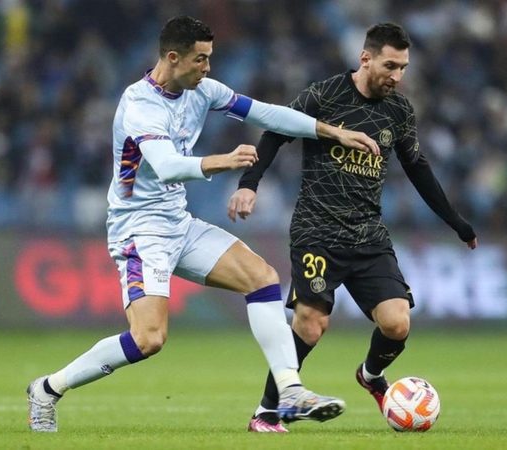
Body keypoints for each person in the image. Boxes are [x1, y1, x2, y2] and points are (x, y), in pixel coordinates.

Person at [26, 15, 381, 432]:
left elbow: (266, 114)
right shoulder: (139, 104)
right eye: (200, 59)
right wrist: (222, 161)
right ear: (173, 58)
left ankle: (289, 390)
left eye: (209, 58)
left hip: (178, 222)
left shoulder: (204, 90)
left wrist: (332, 132)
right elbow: (167, 166)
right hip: (140, 231)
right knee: (148, 339)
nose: (208, 67)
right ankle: (48, 388)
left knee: (262, 278)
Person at [227, 23, 477, 433]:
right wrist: (248, 185)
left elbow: (418, 168)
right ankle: (267, 412)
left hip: (367, 234)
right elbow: (275, 133)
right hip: (316, 230)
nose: (397, 76)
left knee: (397, 324)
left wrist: (456, 222)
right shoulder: (324, 95)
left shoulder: (399, 111)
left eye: (403, 67)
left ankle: (370, 375)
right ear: (366, 58)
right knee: (311, 323)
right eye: (390, 65)